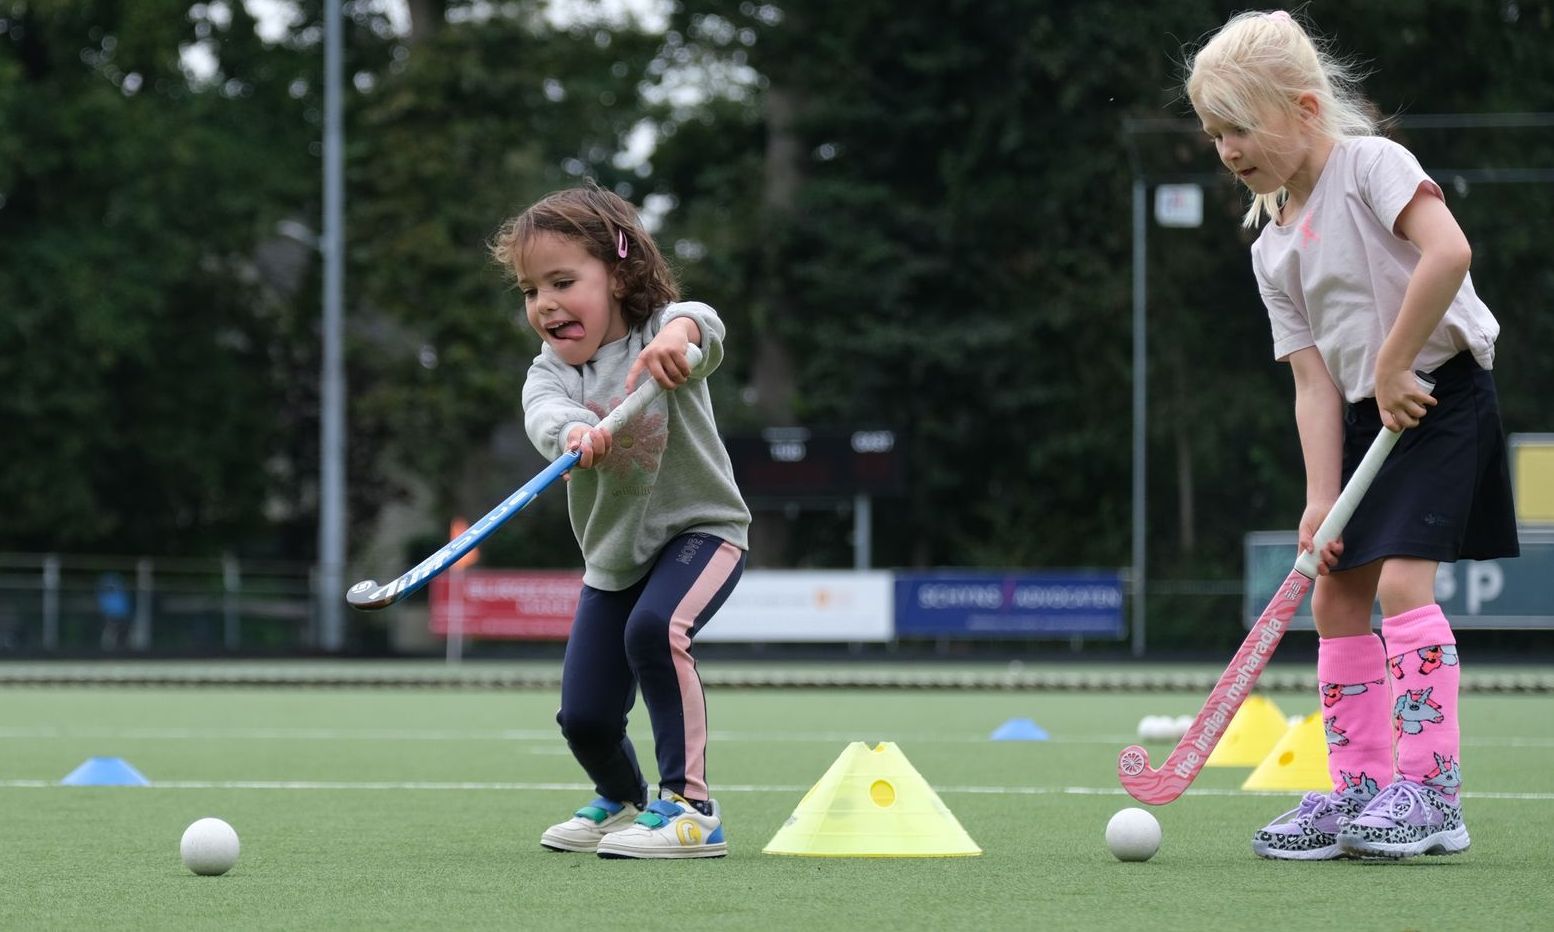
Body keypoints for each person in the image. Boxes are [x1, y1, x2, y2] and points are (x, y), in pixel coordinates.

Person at [1186, 11, 1518, 860]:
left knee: (1405, 585)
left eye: (1240, 128)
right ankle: (1363, 790)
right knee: (1336, 600)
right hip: (1370, 415)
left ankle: (1434, 796)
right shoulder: (1272, 250)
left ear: (1303, 108)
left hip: (1440, 396)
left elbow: (1449, 253)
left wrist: (1399, 362)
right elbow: (1312, 382)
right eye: (1214, 133)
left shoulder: (1373, 165)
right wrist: (1319, 498)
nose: (1226, 150)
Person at [489, 180, 751, 859]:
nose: (544, 304)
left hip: (702, 531)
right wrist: (576, 431)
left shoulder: (660, 328)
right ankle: (626, 801)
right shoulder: (548, 373)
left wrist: (681, 341)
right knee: (584, 717)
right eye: (529, 291)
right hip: (614, 559)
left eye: (562, 281)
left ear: (619, 272)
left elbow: (701, 324)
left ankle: (691, 809)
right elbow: (546, 417)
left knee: (657, 630)